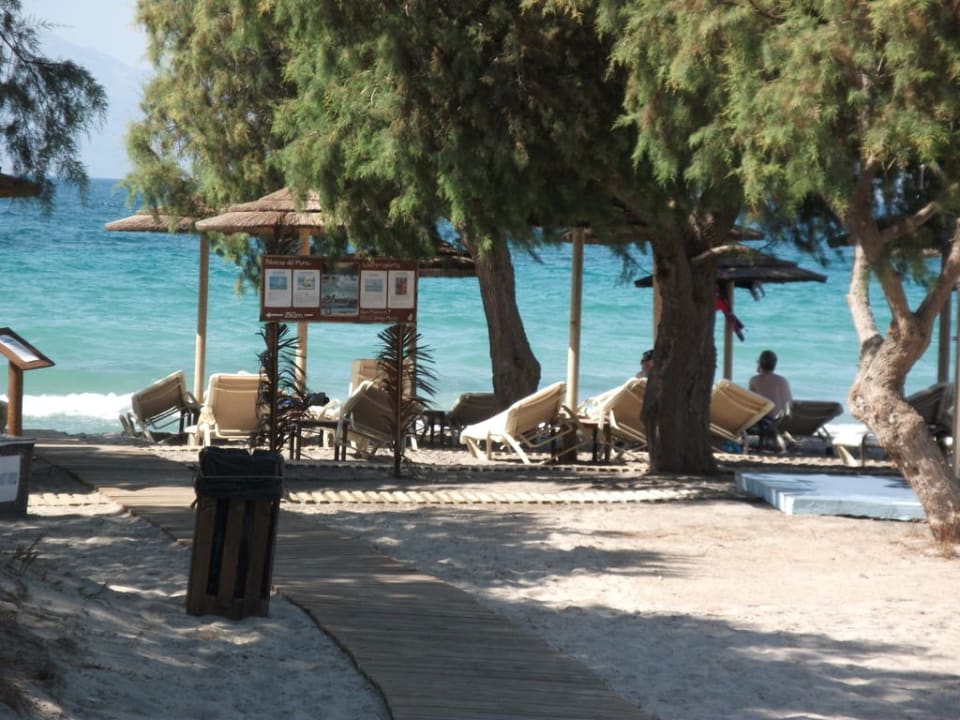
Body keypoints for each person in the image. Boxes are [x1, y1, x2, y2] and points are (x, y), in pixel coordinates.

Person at [748, 349, 792, 417]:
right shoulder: (783, 380)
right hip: (783, 419)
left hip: (768, 420)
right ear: (774, 365)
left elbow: (751, 403)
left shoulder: (754, 380)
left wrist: (759, 368)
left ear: (760, 364)